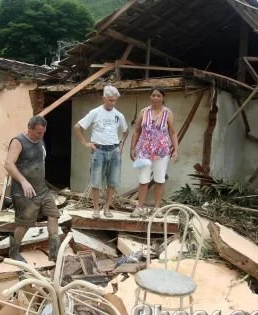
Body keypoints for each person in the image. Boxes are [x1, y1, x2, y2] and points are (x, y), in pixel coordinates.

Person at [4, 115, 61, 262]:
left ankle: (54, 251)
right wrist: (23, 181)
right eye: (38, 133)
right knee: (24, 224)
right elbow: (8, 164)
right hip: (24, 192)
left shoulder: (40, 140)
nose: (41, 136)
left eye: (43, 132)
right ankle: (14, 251)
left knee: (53, 214)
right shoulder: (18, 142)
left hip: (42, 189)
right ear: (29, 129)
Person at [74, 85, 128, 218]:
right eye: (110, 100)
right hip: (99, 150)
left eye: (115, 100)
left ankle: (107, 207)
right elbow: (78, 127)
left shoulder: (118, 114)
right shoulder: (95, 112)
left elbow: (126, 130)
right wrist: (86, 143)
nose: (112, 103)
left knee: (113, 181)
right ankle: (96, 208)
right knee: (96, 180)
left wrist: (121, 144)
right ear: (104, 98)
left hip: (114, 150)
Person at [129, 87, 179, 217]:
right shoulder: (143, 112)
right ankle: (139, 207)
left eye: (158, 96)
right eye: (153, 95)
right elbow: (137, 131)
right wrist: (132, 147)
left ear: (163, 98)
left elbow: (172, 132)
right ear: (150, 97)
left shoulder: (167, 113)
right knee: (143, 179)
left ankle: (157, 208)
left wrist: (176, 150)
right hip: (144, 151)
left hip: (162, 151)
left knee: (159, 179)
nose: (156, 98)